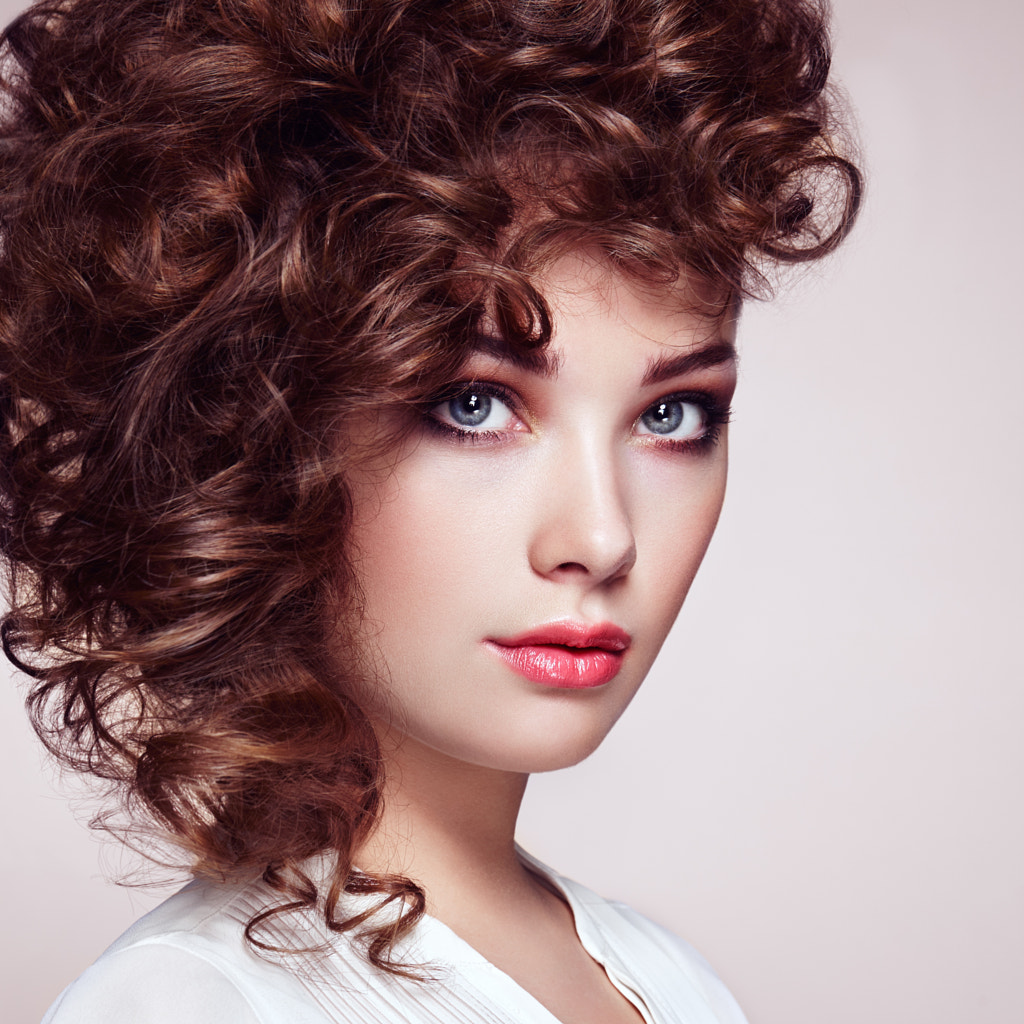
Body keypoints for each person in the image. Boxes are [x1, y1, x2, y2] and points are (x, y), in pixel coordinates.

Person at [0, 0, 860, 1021]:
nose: (601, 536)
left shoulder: (667, 980)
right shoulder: (191, 1004)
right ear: (255, 439)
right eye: (475, 404)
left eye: (671, 415)